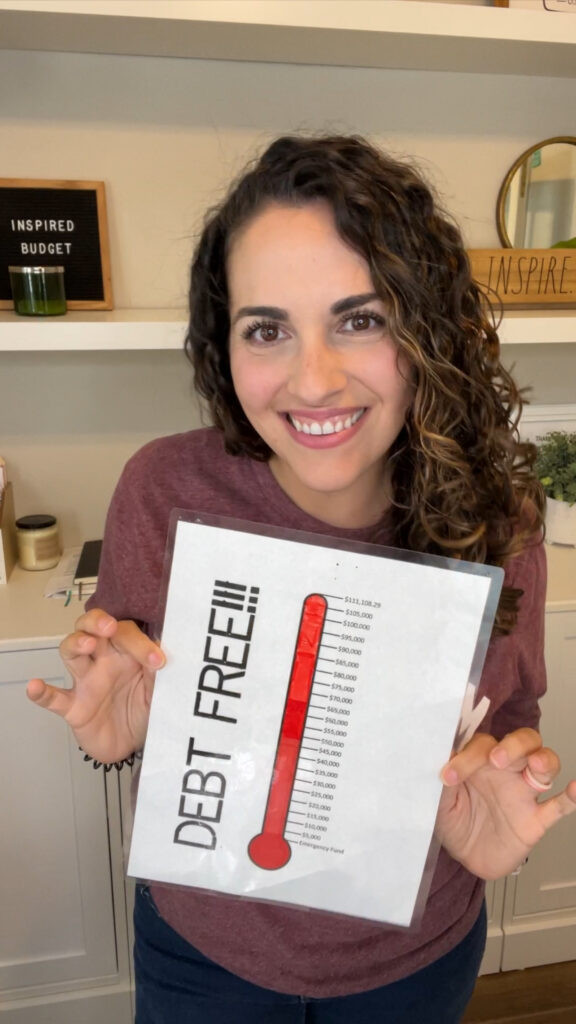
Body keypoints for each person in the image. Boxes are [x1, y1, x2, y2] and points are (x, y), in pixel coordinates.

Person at [27, 134, 576, 1023]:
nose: (313, 380)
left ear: (427, 328)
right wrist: (113, 740)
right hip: (205, 952)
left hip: (414, 955)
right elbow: (120, 713)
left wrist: (495, 814)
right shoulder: (166, 490)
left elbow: (509, 717)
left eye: (361, 319)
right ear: (223, 342)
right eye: (267, 328)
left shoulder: (496, 515)